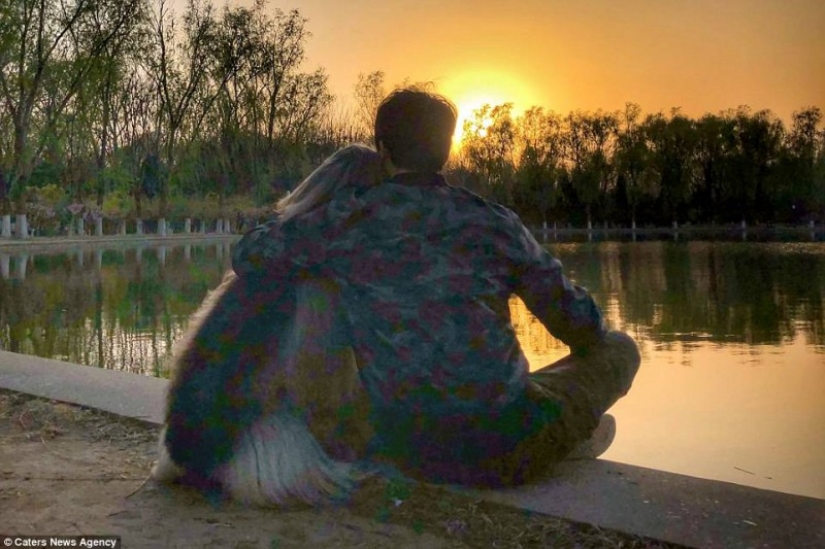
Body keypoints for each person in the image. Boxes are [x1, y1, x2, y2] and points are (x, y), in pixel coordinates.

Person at [232, 88, 641, 488]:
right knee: (621, 347)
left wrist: (288, 211)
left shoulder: (346, 221)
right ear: (447, 148)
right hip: (505, 445)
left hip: (405, 450)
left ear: (382, 149)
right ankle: (567, 435)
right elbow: (582, 326)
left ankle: (566, 431)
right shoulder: (494, 223)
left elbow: (249, 255)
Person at [153, 144, 381, 505]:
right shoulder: (318, 280)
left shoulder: (260, 258)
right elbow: (319, 390)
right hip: (258, 464)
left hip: (180, 452)